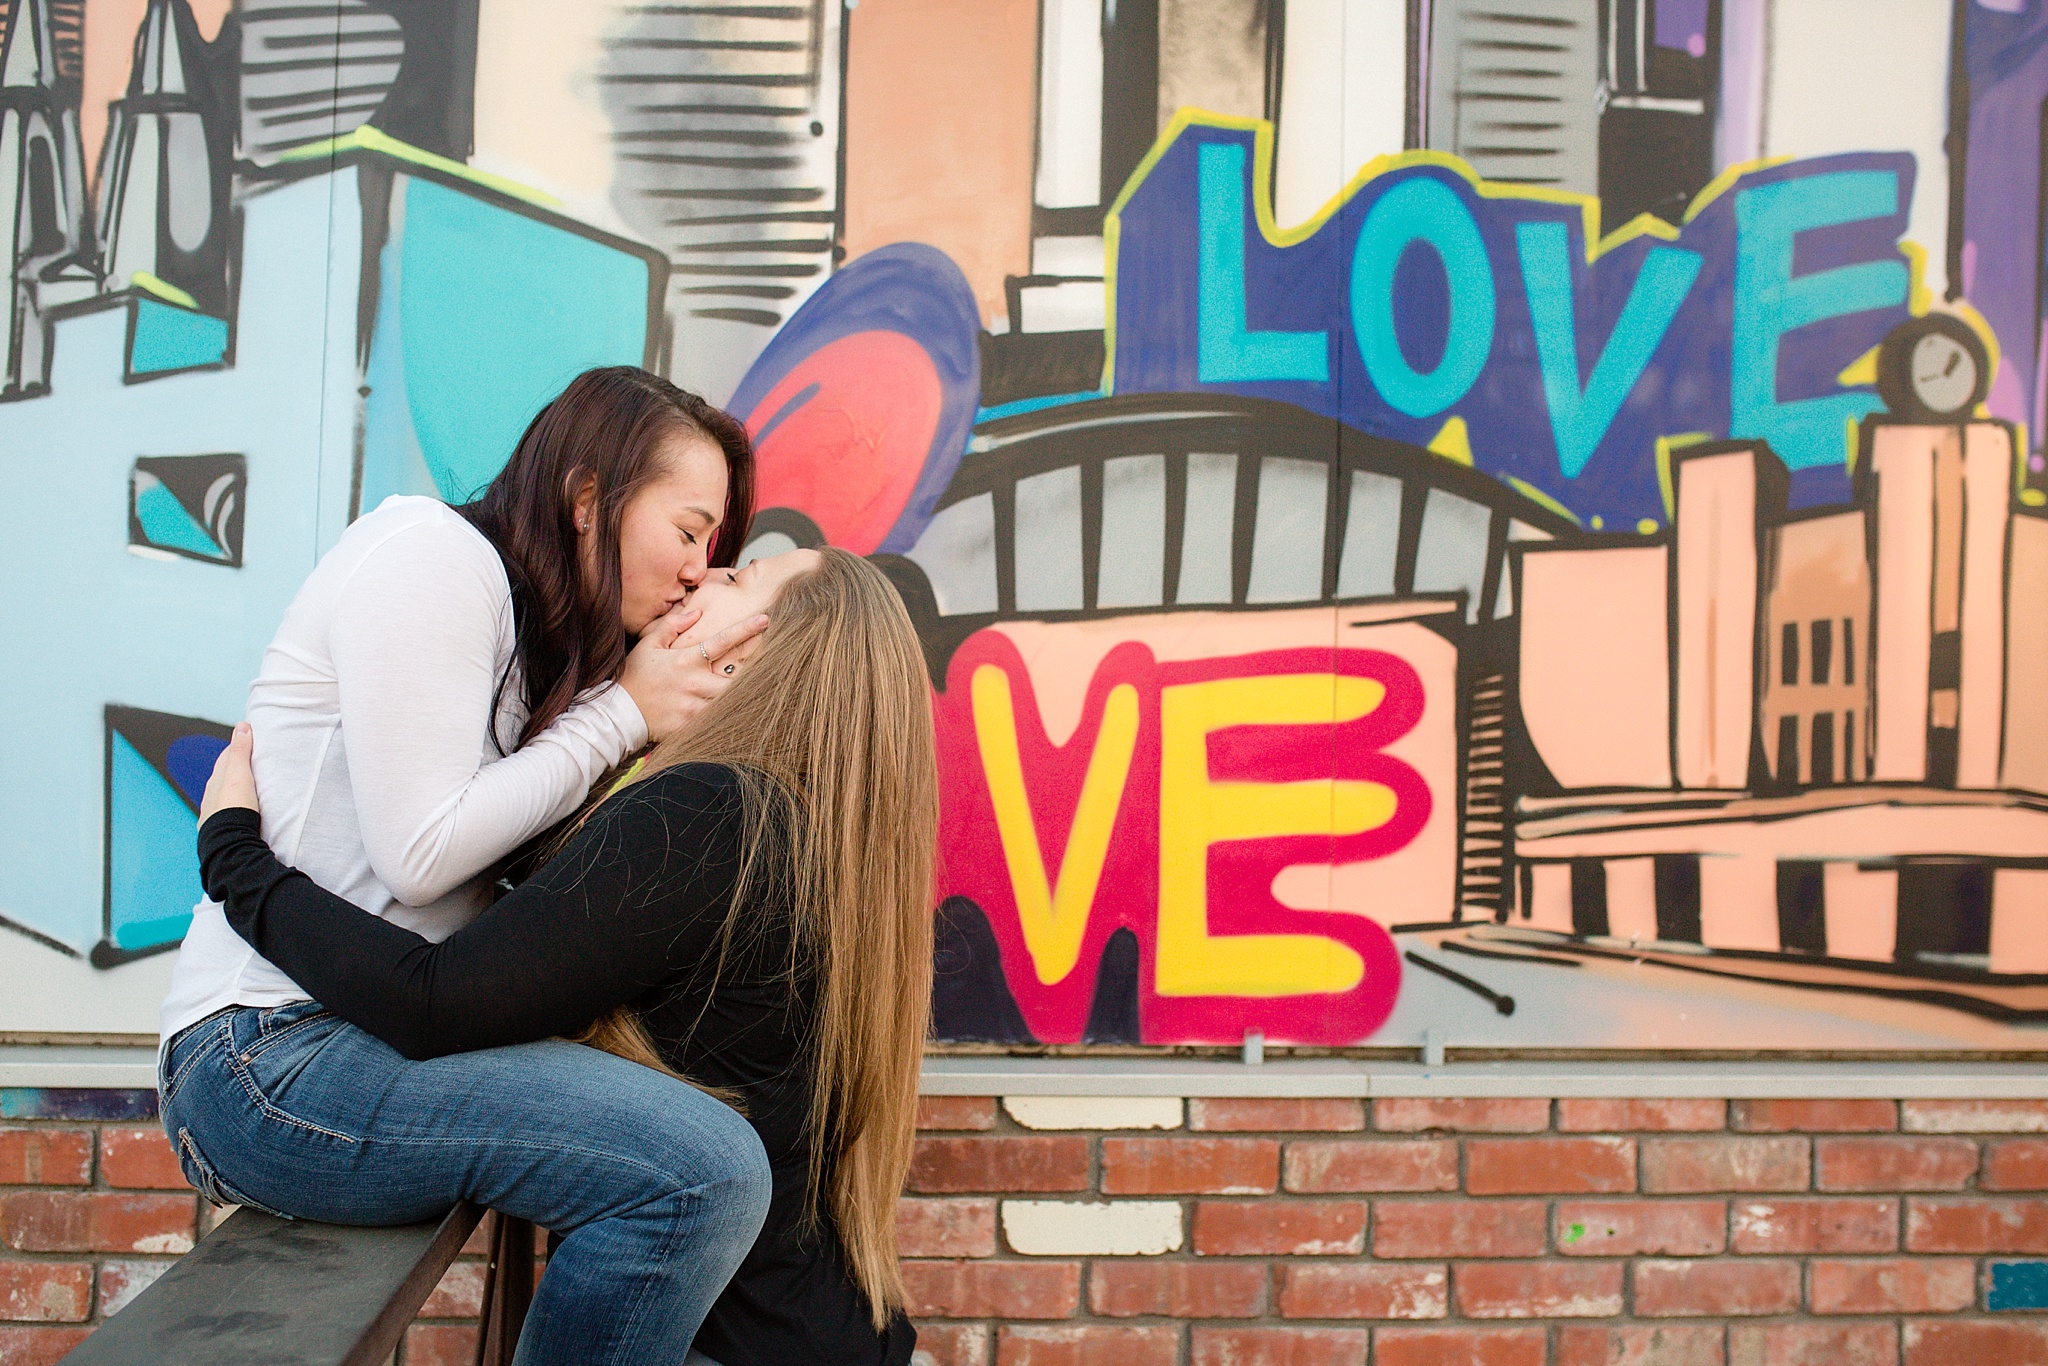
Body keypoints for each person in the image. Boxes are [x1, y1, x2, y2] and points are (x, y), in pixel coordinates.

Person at [158, 367, 776, 1364]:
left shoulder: (531, 637)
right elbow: (422, 855)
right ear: (588, 498)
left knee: (701, 1160)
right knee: (698, 1173)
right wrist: (622, 714)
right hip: (264, 1056)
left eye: (713, 547)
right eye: (689, 529)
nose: (700, 569)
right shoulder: (433, 556)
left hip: (363, 1036)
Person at [196, 547, 934, 1366]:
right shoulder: (802, 837)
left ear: (751, 654)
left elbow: (435, 1002)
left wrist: (237, 861)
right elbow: (551, 934)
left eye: (741, 576)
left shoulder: (711, 815)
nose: (707, 573)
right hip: (825, 1334)